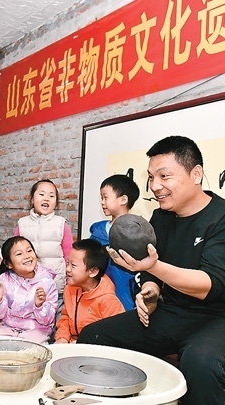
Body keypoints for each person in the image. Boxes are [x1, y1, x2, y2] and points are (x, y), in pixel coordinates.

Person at [77, 135, 225, 405]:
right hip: (172, 312)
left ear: (196, 174)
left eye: (164, 176)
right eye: (151, 177)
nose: (155, 186)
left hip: (217, 319)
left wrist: (154, 267)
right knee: (94, 336)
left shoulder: (221, 217)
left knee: (201, 363)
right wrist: (150, 292)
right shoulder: (160, 216)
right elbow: (149, 267)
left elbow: (209, 284)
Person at [14, 179, 73, 320]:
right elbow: (14, 254)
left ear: (56, 203)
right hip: (27, 286)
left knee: (56, 322)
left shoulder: (61, 225)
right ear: (32, 199)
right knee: (30, 322)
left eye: (51, 196)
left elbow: (69, 256)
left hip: (55, 286)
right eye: (41, 194)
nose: (46, 198)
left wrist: (69, 282)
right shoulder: (22, 224)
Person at [0, 236, 58, 344]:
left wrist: (39, 306)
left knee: (32, 350)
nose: (27, 256)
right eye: (19, 254)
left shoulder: (47, 282)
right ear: (9, 264)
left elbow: (48, 320)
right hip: (7, 328)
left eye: (29, 251)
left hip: (36, 331)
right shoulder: (4, 279)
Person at [55, 239, 124, 343]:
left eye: (73, 265)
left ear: (93, 271)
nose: (67, 269)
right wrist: (62, 338)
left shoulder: (108, 300)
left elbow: (115, 335)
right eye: (67, 263)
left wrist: (82, 344)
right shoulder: (69, 289)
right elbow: (66, 317)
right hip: (71, 344)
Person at [89, 174, 140, 310]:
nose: (102, 202)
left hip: (126, 295)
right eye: (101, 198)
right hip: (98, 295)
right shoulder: (97, 231)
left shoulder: (138, 233)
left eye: (105, 197)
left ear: (123, 200)